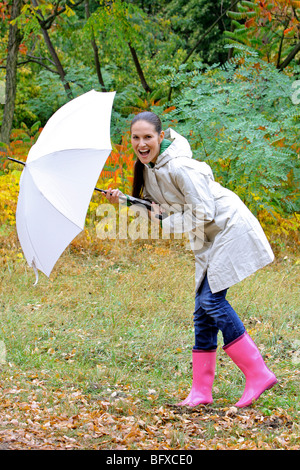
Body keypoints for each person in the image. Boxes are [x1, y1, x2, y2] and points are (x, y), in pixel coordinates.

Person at [105, 111, 278, 408]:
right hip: (207, 238)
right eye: (136, 138)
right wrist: (123, 200)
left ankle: (258, 373)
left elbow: (203, 212)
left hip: (227, 227)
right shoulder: (149, 169)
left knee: (211, 301)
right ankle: (201, 392)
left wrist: (164, 222)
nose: (142, 143)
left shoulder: (182, 167)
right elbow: (157, 211)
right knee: (202, 310)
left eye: (148, 137)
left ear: (161, 137)